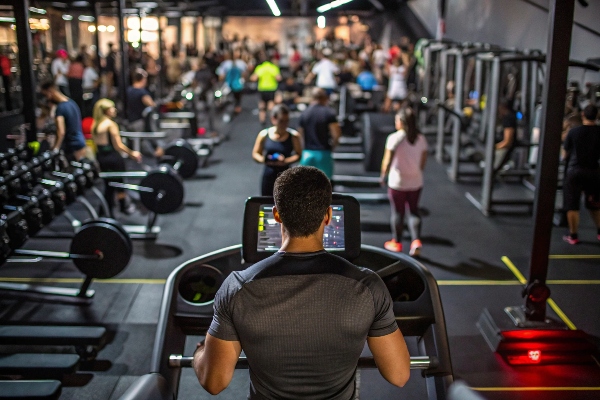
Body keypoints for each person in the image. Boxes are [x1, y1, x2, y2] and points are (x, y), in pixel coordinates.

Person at [193, 166, 410, 398]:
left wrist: (200, 354)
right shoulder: (368, 287)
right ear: (327, 216)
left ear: (276, 215)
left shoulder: (237, 288)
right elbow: (398, 375)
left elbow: (214, 382)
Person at [380, 107, 428, 256]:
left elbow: (387, 160)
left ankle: (397, 242)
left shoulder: (394, 138)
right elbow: (423, 162)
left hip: (398, 182)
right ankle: (416, 241)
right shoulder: (421, 139)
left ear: (401, 122)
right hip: (416, 181)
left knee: (398, 212)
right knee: (414, 211)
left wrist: (383, 175)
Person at [91, 99, 142, 216]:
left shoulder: (95, 125)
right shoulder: (110, 124)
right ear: (106, 111)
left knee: (109, 186)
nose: (114, 110)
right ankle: (120, 208)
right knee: (119, 184)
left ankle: (105, 213)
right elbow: (118, 145)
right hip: (113, 158)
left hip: (101, 157)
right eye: (112, 108)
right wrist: (132, 153)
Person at [562, 104, 600, 245]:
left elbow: (565, 155)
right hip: (594, 172)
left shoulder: (573, 132)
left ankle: (573, 235)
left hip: (575, 172)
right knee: (594, 204)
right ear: (597, 116)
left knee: (572, 205)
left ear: (583, 115)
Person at [251, 104, 303, 196]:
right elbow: (255, 154)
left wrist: (285, 161)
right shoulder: (264, 135)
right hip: (269, 174)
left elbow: (298, 154)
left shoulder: (294, 136)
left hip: (285, 175)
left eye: (286, 121)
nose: (284, 124)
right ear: (273, 119)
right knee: (266, 202)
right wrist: (266, 160)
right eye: (281, 121)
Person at [297, 88, 341, 179]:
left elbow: (300, 134)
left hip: (307, 153)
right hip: (323, 152)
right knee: (325, 183)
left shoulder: (304, 113)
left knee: (305, 183)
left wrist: (302, 149)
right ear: (324, 97)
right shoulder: (329, 112)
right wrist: (333, 146)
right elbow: (336, 134)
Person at [40, 80, 87, 161]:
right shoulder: (72, 103)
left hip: (71, 146)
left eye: (45, 95)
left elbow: (61, 131)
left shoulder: (60, 108)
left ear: (50, 91)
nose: (46, 98)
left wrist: (55, 148)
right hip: (80, 142)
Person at [126, 69, 164, 158]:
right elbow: (152, 104)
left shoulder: (129, 90)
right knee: (149, 138)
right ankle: (155, 154)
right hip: (139, 122)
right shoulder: (142, 93)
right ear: (143, 79)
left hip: (130, 121)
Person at [251, 53, 281, 125]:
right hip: (271, 88)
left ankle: (262, 120)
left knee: (262, 105)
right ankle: (272, 120)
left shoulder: (260, 68)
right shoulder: (273, 67)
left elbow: (253, 78)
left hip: (262, 89)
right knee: (271, 105)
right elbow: (279, 78)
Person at [217, 49, 247, 114]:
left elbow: (221, 76)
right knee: (237, 97)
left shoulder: (224, 64)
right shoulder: (241, 63)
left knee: (222, 96)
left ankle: (221, 105)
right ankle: (237, 107)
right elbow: (244, 74)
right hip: (238, 84)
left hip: (228, 84)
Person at [493, 98, 517, 170]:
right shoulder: (505, 118)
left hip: (505, 148)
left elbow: (507, 142)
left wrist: (494, 147)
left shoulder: (508, 119)